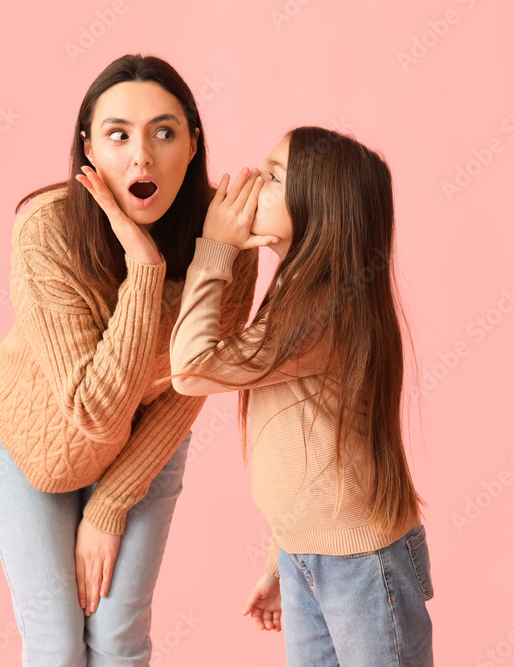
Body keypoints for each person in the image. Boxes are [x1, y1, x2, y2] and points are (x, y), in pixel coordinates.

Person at [0, 54, 258, 666]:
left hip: (145, 444)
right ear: (89, 149)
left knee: (120, 642)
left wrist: (109, 506)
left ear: (193, 144)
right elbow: (93, 410)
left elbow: (190, 382)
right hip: (31, 444)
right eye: (118, 134)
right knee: (56, 646)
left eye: (164, 132)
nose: (141, 157)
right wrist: (145, 269)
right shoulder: (44, 230)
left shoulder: (224, 240)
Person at [168, 127, 435, 666]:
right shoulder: (297, 294)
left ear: (320, 207)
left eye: (271, 177)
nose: (249, 183)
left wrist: (215, 250)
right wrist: (282, 556)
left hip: (362, 562)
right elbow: (313, 449)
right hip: (309, 554)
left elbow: (191, 367)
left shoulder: (324, 310)